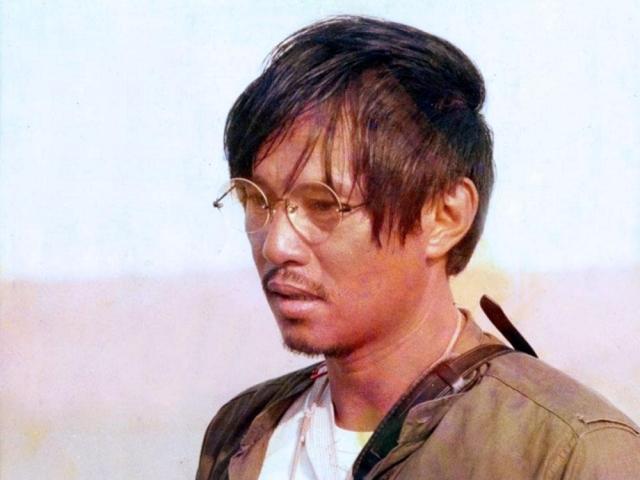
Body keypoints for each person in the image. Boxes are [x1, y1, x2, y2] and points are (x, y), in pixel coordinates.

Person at [197, 15, 640, 480]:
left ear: (445, 217)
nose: (276, 245)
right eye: (257, 201)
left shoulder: (566, 454)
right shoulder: (244, 434)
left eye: (323, 205)